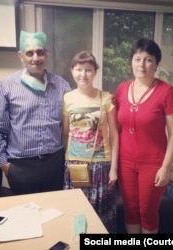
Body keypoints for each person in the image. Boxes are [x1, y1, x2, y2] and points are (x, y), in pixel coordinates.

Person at [0, 30, 71, 195]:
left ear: (46, 53)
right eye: (29, 53)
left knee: (55, 211)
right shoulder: (6, 86)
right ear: (21, 56)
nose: (36, 58)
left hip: (55, 164)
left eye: (40, 52)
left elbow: (71, 124)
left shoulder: (61, 85)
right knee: (28, 216)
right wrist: (6, 167)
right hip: (21, 168)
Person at [115, 38, 173, 234]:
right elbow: (115, 125)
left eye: (148, 60)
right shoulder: (121, 89)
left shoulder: (166, 92)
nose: (141, 65)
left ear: (157, 64)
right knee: (130, 210)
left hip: (153, 163)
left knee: (147, 211)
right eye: (137, 59)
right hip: (125, 162)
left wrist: (166, 167)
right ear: (131, 62)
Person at [63, 51, 119, 233]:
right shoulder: (68, 98)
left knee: (101, 213)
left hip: (101, 165)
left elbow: (115, 135)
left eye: (88, 70)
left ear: (95, 72)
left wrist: (114, 168)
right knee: (77, 211)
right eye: (79, 69)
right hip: (75, 165)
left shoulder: (106, 98)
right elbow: (66, 132)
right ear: (72, 71)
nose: (83, 74)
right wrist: (69, 160)